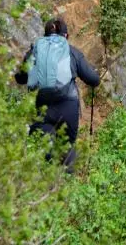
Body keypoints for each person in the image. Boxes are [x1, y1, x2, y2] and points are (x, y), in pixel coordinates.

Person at [15, 17, 100, 172]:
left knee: (45, 145)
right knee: (67, 147)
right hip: (68, 107)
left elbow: (21, 78)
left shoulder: (35, 51)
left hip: (44, 108)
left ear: (45, 35)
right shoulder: (72, 52)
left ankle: (48, 184)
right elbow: (93, 80)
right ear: (66, 36)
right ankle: (67, 185)